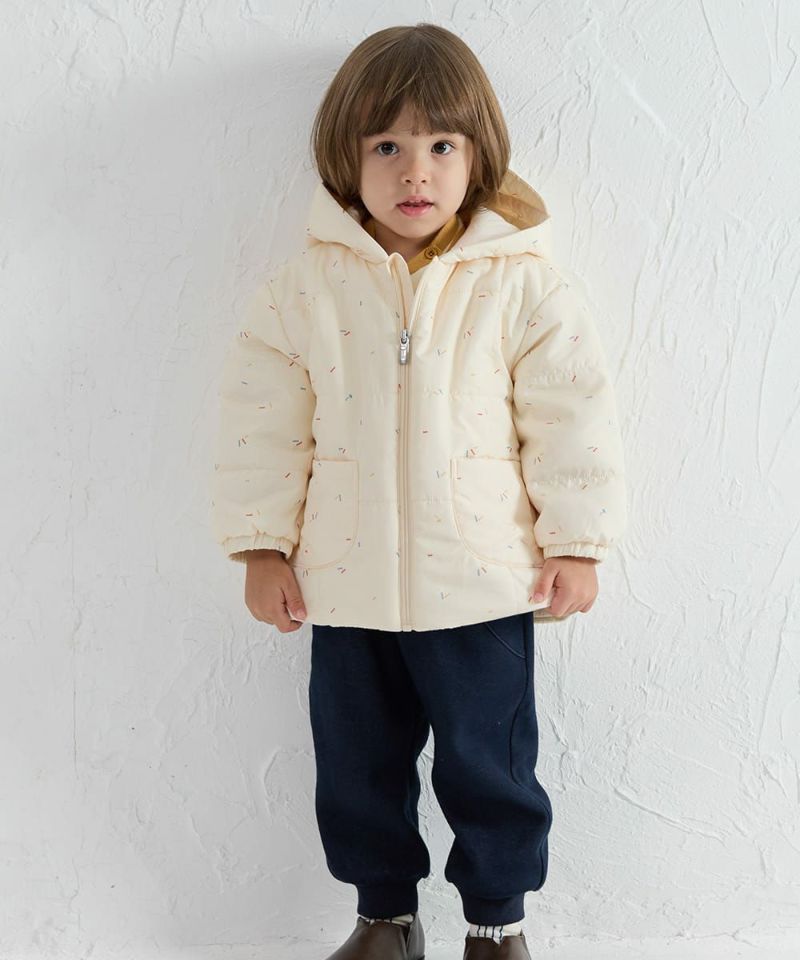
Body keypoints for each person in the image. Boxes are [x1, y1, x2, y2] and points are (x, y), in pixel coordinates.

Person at [210, 22, 627, 960]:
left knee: (492, 768)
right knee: (357, 766)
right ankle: (384, 920)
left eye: (442, 145)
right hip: (345, 586)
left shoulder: (523, 288)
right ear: (346, 158)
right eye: (387, 147)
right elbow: (262, 423)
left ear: (477, 157)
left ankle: (497, 925)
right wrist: (261, 547)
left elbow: (572, 418)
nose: (416, 172)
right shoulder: (304, 292)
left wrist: (577, 541)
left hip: (483, 587)